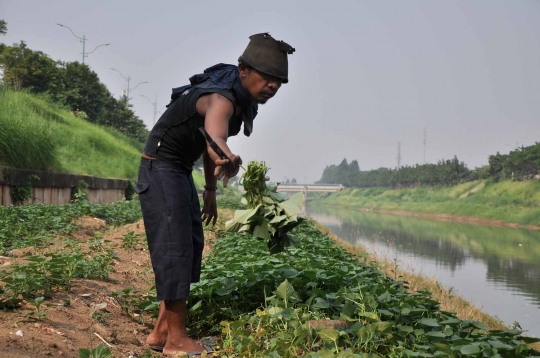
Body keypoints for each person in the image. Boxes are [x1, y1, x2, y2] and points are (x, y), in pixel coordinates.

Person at [135, 33, 295, 356]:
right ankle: (176, 343)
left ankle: (161, 332)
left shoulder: (237, 91)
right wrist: (228, 155)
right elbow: (214, 135)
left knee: (192, 246)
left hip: (177, 169)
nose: (273, 86)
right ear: (244, 70)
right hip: (161, 167)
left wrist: (210, 188)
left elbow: (207, 145)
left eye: (279, 81)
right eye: (267, 77)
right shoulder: (222, 97)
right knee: (175, 248)